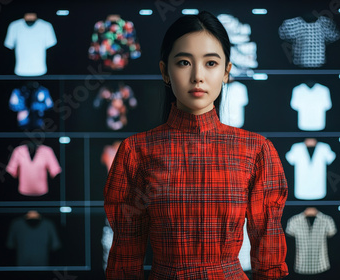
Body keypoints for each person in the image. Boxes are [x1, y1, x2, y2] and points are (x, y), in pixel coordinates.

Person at [104, 11, 288, 279]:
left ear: (226, 72)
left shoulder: (256, 150)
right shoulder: (136, 151)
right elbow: (125, 259)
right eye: (183, 63)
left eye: (211, 63)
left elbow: (268, 251)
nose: (198, 76)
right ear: (165, 72)